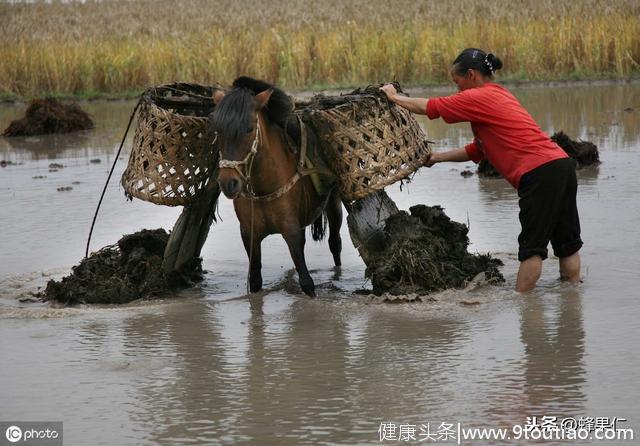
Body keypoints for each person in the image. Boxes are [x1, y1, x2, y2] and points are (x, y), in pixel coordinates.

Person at [380, 48, 582, 292]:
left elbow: (431, 107)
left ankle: (525, 310)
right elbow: (479, 149)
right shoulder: (500, 95)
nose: (457, 89)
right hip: (561, 165)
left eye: (457, 82)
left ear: (472, 75)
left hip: (538, 173)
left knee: (532, 250)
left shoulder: (479, 96)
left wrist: (393, 98)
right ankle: (572, 302)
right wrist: (437, 157)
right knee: (567, 244)